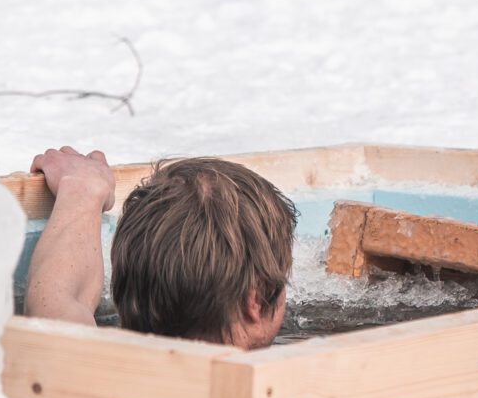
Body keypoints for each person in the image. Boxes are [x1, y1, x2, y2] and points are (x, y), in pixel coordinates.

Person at [23, 146, 296, 347]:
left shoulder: (91, 375)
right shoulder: (292, 397)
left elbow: (52, 302)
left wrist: (83, 190)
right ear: (256, 299)